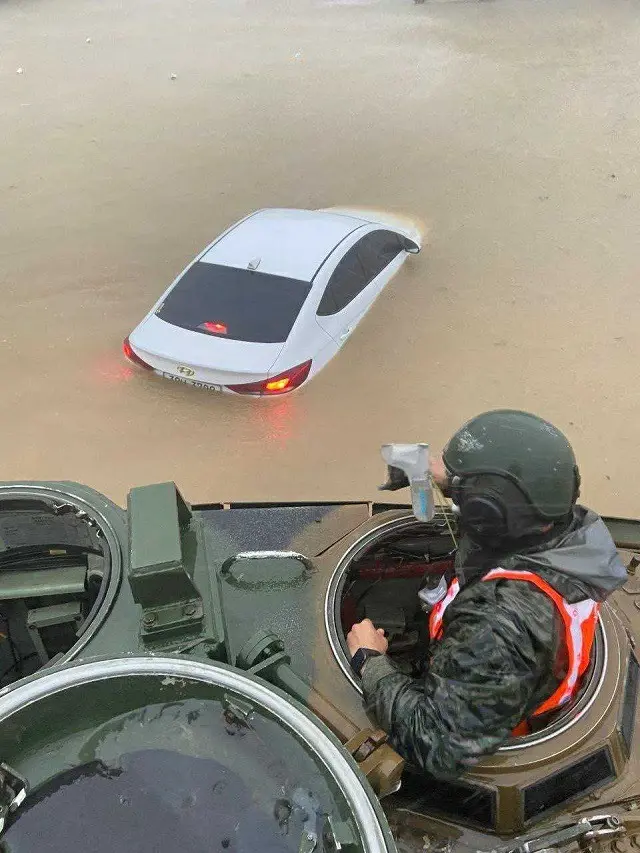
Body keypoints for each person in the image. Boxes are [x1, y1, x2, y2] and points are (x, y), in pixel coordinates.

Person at [346, 409, 627, 780]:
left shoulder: (497, 627)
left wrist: (371, 662)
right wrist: (445, 475)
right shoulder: (561, 531)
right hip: (506, 678)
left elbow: (439, 746)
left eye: (463, 498)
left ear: (488, 514)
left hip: (483, 728)